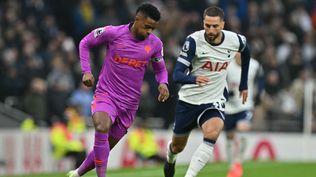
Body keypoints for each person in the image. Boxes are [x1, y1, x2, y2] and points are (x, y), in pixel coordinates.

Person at [67, 3, 169, 177]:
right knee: (101, 126)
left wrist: (163, 83)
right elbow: (85, 42)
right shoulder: (113, 32)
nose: (149, 32)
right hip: (106, 94)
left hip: (129, 104)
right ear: (137, 20)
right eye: (147, 27)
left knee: (105, 146)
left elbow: (160, 69)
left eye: (153, 28)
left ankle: (77, 173)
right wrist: (86, 71)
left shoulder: (155, 44)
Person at [163, 6, 250, 177]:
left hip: (214, 99)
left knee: (212, 132)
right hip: (189, 101)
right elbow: (177, 75)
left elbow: (246, 52)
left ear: (222, 24)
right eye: (207, 25)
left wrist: (243, 83)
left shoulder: (236, 40)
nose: (210, 30)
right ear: (203, 23)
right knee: (177, 147)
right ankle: (170, 157)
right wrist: (193, 79)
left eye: (215, 26)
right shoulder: (193, 41)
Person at [225, 53, 264, 177]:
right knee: (229, 136)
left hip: (245, 105)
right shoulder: (227, 64)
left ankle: (238, 162)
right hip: (229, 107)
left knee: (243, 129)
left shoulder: (254, 65)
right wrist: (225, 93)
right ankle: (231, 165)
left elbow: (261, 79)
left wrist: (259, 95)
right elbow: (220, 81)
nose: (240, 56)